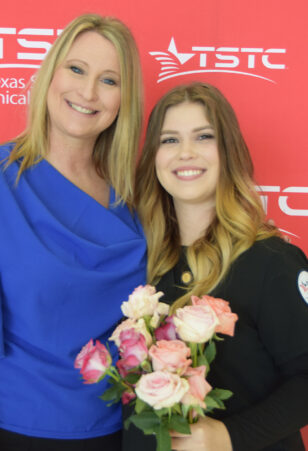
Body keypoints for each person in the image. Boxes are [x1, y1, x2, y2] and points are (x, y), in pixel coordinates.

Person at [0, 14, 146, 451]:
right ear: (49, 75)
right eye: (76, 69)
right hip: (8, 433)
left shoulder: (134, 200)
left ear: (125, 100)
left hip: (114, 436)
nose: (88, 92)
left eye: (109, 80)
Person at [123, 82, 308, 451]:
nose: (185, 153)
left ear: (228, 151)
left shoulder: (272, 263)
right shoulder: (138, 263)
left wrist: (229, 437)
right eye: (170, 140)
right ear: (153, 156)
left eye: (203, 136)